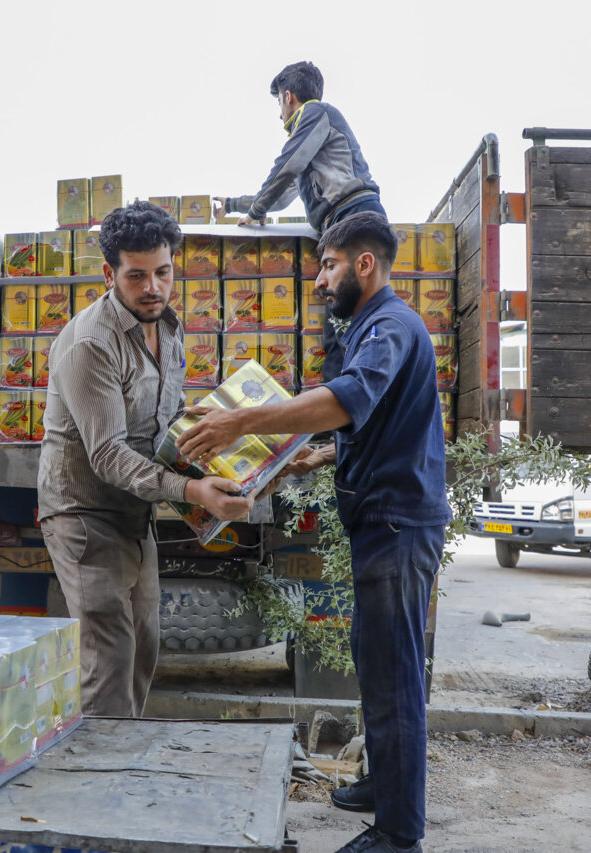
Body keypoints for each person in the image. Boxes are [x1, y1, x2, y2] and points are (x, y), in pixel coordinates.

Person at [177, 212, 450, 853]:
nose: (321, 280)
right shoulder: (379, 326)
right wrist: (320, 455)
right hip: (383, 521)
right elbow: (382, 424)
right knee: (374, 659)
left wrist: (244, 421)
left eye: (328, 265)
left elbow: (349, 398)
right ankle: (384, 782)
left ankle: (399, 832)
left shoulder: (386, 326)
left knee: (395, 673)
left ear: (363, 264)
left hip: (397, 525)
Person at [37, 200, 253, 718]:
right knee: (108, 659)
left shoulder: (170, 327)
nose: (152, 287)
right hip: (84, 514)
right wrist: (191, 491)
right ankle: (96, 779)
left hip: (136, 510)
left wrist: (240, 447)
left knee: (143, 649)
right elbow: (110, 455)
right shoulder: (91, 343)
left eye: (162, 272)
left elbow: (167, 421)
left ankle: (118, 766)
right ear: (110, 273)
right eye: (137, 276)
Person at [216, 60, 385, 382]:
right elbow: (283, 192)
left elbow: (287, 165)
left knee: (340, 322)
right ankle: (346, 410)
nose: (279, 114)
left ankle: (340, 417)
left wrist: (255, 211)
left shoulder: (315, 112)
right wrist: (236, 205)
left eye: (278, 102)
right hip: (350, 221)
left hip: (352, 218)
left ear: (288, 96)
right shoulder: (316, 146)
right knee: (348, 317)